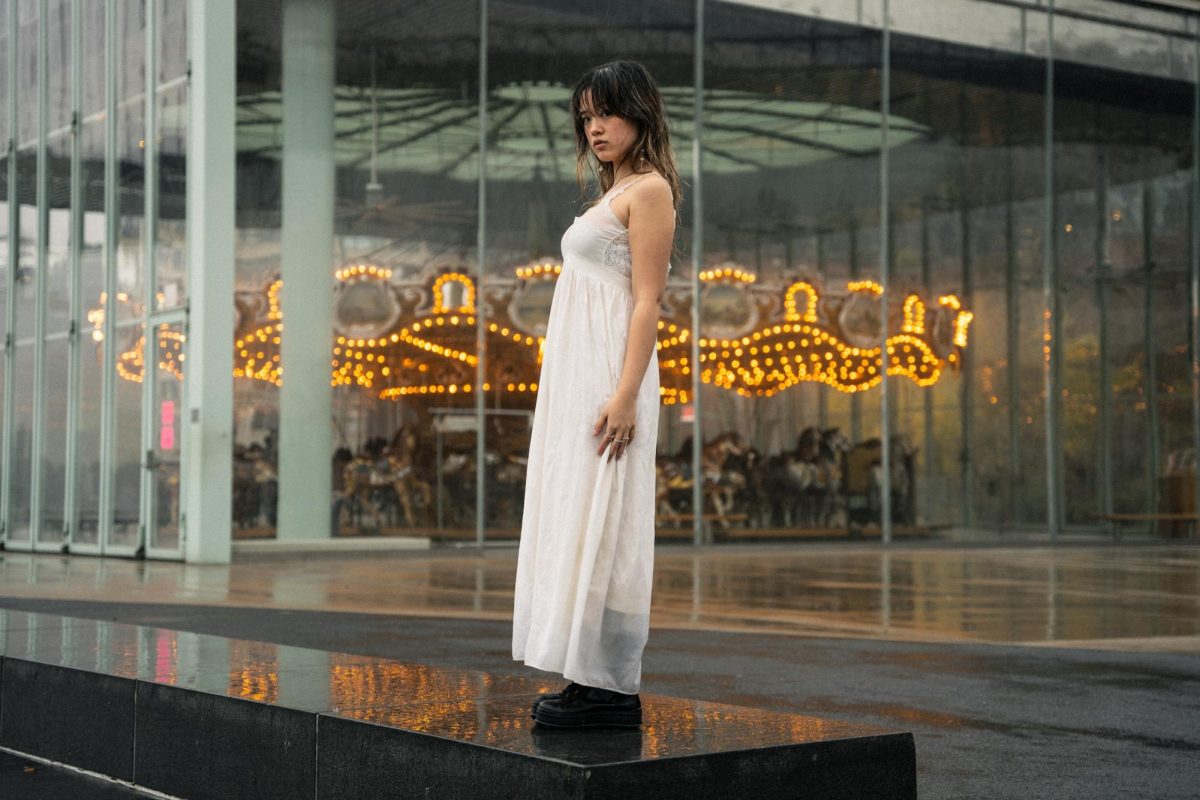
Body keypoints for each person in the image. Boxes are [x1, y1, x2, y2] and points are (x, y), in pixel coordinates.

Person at [512, 60, 682, 729]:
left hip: (613, 371)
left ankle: (612, 687)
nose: (595, 126)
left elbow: (647, 302)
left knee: (608, 522)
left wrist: (626, 394)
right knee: (579, 513)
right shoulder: (614, 191)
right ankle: (587, 674)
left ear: (639, 111)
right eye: (586, 116)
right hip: (581, 371)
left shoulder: (651, 191)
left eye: (606, 112)